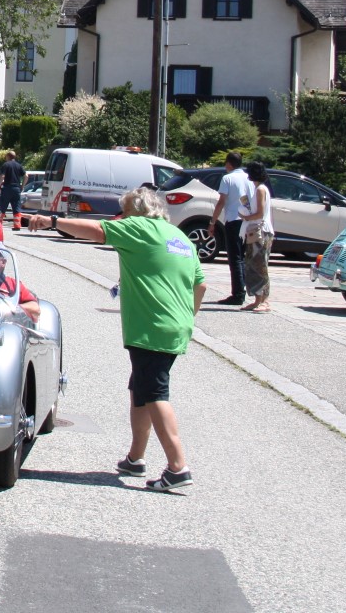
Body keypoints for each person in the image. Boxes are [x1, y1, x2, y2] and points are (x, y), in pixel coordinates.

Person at [26, 187, 204, 492]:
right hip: (175, 325)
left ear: (136, 211)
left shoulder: (141, 227)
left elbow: (97, 230)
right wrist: (186, 317)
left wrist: (53, 221)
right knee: (141, 388)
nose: (120, 218)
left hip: (152, 326)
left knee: (156, 392)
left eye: (124, 212)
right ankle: (136, 457)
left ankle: (177, 466)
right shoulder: (179, 238)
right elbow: (200, 285)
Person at [211, 152, 254, 306]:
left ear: (229, 163)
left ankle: (237, 294)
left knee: (234, 258)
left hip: (233, 220)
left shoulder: (227, 178)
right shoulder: (248, 178)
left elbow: (221, 201)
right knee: (242, 257)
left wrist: (213, 221)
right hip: (246, 220)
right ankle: (242, 291)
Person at [240, 162, 275, 313]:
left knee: (261, 265)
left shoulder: (261, 189)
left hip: (262, 231)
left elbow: (260, 213)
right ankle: (257, 299)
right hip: (254, 230)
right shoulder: (257, 189)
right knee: (252, 263)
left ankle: (265, 301)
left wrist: (246, 217)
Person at [0, 149, 26, 227]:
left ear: (8, 156)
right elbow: (26, 176)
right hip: (16, 188)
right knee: (16, 207)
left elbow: (2, 176)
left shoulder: (6, 165)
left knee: (3, 207)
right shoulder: (19, 165)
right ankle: (17, 225)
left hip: (7, 188)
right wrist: (22, 186)